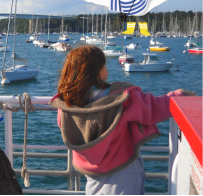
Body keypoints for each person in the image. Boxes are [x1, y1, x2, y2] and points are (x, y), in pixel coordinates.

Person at [48, 45, 195, 195]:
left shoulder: (65, 108)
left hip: (94, 179)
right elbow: (154, 108)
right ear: (96, 70)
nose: (106, 68)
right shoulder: (121, 98)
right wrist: (180, 95)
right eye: (103, 64)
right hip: (125, 173)